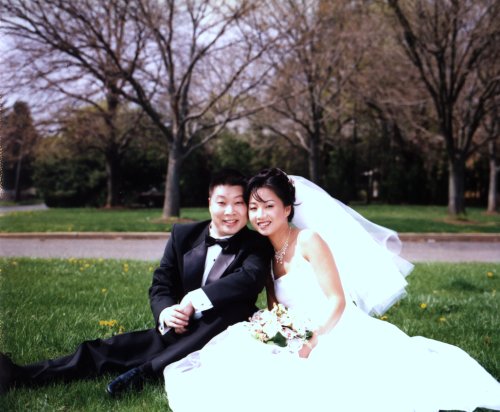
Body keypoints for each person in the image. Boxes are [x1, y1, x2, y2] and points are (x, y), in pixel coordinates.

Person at [164, 168, 500, 412]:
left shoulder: (309, 240)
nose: (260, 215)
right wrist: (271, 327)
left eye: (268, 206)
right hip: (293, 330)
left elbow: (337, 300)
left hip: (333, 326)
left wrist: (313, 338)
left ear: (287, 209)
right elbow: (275, 306)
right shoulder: (265, 252)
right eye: (253, 207)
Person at [0, 169, 272, 396]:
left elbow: (249, 279)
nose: (230, 211)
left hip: (218, 337)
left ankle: (145, 372)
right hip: (177, 331)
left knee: (235, 309)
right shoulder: (183, 234)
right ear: (209, 202)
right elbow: (162, 282)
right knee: (102, 351)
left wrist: (194, 298)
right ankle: (19, 375)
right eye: (222, 202)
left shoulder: (257, 244)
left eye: (238, 203)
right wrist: (166, 312)